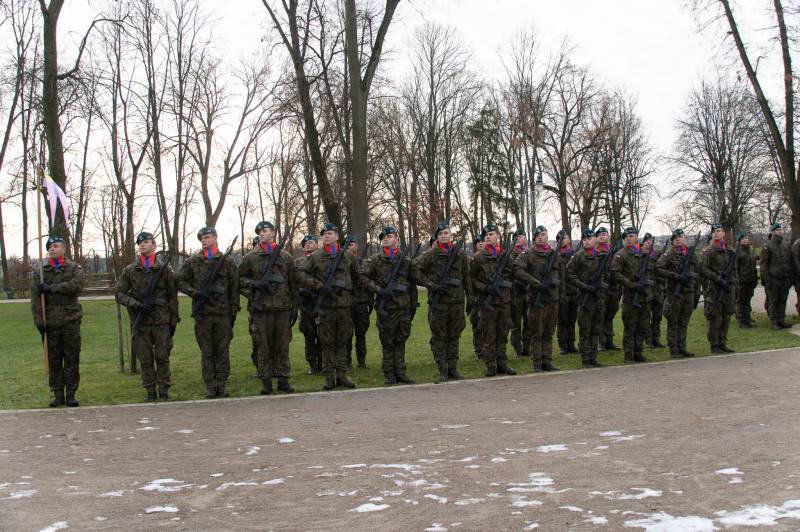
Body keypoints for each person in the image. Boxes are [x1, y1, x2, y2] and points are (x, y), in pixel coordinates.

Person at [177, 227, 240, 398]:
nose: (204, 240)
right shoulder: (193, 261)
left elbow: (234, 288)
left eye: (207, 237)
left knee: (222, 351)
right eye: (202, 238)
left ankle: (222, 384)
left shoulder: (227, 261)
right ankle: (210, 385)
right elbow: (180, 280)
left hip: (223, 313)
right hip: (203, 314)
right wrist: (195, 293)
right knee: (207, 351)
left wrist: (233, 311)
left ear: (215, 238)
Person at [116, 232, 179, 401]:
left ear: (154, 245)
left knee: (162, 356)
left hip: (161, 320)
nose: (142, 245)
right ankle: (150, 390)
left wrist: (173, 320)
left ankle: (164, 389)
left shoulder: (164, 270)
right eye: (140, 243)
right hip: (141, 321)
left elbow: (172, 297)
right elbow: (119, 293)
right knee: (145, 358)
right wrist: (135, 304)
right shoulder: (130, 270)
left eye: (146, 242)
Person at [297, 223, 360, 390]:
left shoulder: (347, 256)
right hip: (325, 307)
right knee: (327, 343)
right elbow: (300, 273)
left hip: (344, 306)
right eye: (324, 233)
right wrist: (318, 286)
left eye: (330, 233)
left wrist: (353, 298)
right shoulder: (315, 256)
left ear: (337, 236)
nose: (326, 235)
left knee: (342, 341)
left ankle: (342, 376)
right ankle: (329, 378)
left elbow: (358, 277)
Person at [239, 221, 297, 395]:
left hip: (282, 309)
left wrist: (295, 306)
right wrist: (254, 285)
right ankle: (266, 381)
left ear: (273, 232)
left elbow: (293, 283)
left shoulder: (285, 257)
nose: (261, 234)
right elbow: (239, 280)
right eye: (259, 232)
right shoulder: (250, 257)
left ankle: (283, 379)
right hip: (261, 310)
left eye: (265, 231)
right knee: (263, 346)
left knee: (283, 346)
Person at [413, 222, 471, 382]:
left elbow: (466, 276)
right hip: (439, 303)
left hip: (457, 302)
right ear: (437, 237)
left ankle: (453, 368)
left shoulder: (460, 253)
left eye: (446, 233)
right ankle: (442, 369)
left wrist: (471, 298)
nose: (444, 236)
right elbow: (415, 270)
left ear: (451, 235)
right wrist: (432, 285)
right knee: (439, 337)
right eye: (440, 234)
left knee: (454, 335)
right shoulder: (431, 254)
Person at [31, 235, 85, 408]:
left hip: (70, 320)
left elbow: (76, 286)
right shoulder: (41, 272)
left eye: (55, 246)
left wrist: (52, 288)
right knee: (53, 360)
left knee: (71, 358)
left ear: (63, 248)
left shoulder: (74, 268)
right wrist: (39, 320)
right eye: (49, 247)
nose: (51, 249)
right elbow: (35, 299)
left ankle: (71, 393)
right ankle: (57, 394)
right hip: (50, 322)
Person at [360, 226, 416, 385]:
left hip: (403, 307)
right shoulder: (375, 260)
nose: (385, 238)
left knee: (401, 340)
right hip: (386, 309)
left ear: (396, 239)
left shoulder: (405, 260)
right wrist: (379, 290)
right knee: (388, 341)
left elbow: (412, 284)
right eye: (383, 237)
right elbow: (362, 276)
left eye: (389, 236)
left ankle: (401, 371)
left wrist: (412, 305)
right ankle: (389, 373)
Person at [471, 224, 518, 377]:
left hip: (504, 301)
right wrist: (485, 288)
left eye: (491, 234)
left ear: (498, 236)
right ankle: (491, 365)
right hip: (488, 303)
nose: (488, 237)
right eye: (486, 235)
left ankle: (502, 363)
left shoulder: (505, 256)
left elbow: (512, 277)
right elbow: (472, 279)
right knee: (489, 335)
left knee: (503, 334)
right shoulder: (479, 257)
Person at [515, 225, 560, 372]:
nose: (541, 237)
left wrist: (561, 295)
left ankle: (547, 361)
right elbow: (517, 269)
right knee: (537, 333)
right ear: (534, 238)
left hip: (552, 299)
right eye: (538, 235)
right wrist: (534, 282)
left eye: (543, 234)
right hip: (536, 300)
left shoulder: (553, 254)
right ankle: (537, 363)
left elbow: (561, 276)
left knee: (549, 333)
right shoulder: (528, 254)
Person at [656, 229, 701, 359]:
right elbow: (658, 268)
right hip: (675, 293)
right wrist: (675, 276)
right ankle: (673, 348)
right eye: (675, 237)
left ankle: (682, 347)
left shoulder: (691, 254)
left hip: (689, 292)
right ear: (672, 240)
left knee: (684, 322)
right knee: (673, 321)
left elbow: (698, 272)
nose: (678, 239)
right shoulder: (669, 254)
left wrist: (697, 292)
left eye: (681, 237)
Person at [611, 227, 653, 364]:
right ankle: (628, 354)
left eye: (631, 236)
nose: (629, 238)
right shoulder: (620, 255)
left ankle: (638, 352)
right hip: (630, 297)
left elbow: (651, 271)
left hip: (644, 296)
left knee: (642, 326)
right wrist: (631, 284)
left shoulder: (643, 254)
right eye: (626, 237)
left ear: (636, 237)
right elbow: (615, 274)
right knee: (630, 327)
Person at [567, 229, 607, 368]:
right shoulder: (578, 256)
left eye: (589, 239)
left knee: (596, 329)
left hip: (598, 298)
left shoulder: (600, 256)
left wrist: (601, 284)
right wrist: (584, 286)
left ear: (594, 239)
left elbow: (607, 274)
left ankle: (593, 357)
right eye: (584, 239)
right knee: (585, 330)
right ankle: (585, 358)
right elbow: (569, 274)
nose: (587, 241)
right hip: (585, 298)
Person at [698, 223, 737, 353]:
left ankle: (722, 342)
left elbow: (735, 270)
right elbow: (702, 269)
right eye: (714, 231)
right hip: (714, 288)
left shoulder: (730, 251)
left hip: (728, 288)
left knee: (727, 316)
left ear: (724, 233)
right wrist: (717, 278)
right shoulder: (707, 251)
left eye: (719, 231)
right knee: (716, 317)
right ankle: (714, 344)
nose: (716, 233)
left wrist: (734, 284)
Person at [760, 223, 793, 330]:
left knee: (783, 300)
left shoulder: (786, 245)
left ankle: (781, 320)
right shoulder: (768, 246)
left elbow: (790, 261)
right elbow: (764, 265)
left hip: (785, 278)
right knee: (773, 301)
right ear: (773, 232)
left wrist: (790, 277)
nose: (780, 231)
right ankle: (774, 321)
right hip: (773, 278)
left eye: (781, 229)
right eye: (778, 230)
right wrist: (767, 280)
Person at [297, 235, 321, 374]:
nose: (307, 244)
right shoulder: (297, 262)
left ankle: (323, 362)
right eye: (305, 243)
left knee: (323, 335)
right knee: (309, 335)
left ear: (317, 244)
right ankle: (312, 364)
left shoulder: (323, 259)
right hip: (306, 304)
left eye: (310, 242)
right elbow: (293, 280)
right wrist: (300, 291)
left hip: (321, 301)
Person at [347, 239, 372, 369]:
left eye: (353, 244)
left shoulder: (364, 262)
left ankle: (361, 361)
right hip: (347, 303)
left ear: (357, 246)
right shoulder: (343, 262)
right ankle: (347, 361)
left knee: (361, 334)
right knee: (347, 334)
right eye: (348, 245)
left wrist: (370, 301)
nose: (351, 246)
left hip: (361, 302)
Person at [595, 227, 621, 351]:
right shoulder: (594, 251)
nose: (601, 236)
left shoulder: (613, 251)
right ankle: (601, 342)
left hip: (613, 288)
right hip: (601, 288)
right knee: (600, 315)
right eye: (599, 234)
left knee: (610, 316)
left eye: (604, 234)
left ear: (608, 236)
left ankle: (609, 341)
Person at [509, 226, 531, 358]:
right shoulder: (510, 254)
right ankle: (517, 348)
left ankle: (527, 347)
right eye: (515, 237)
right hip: (516, 293)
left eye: (520, 236)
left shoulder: (530, 253)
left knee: (529, 322)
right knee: (516, 323)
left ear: (525, 238)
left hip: (528, 293)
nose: (518, 239)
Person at [556, 230, 579, 354]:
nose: (564, 240)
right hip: (562, 292)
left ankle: (571, 344)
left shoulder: (573, 254)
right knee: (562, 320)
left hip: (573, 291)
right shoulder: (556, 255)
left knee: (572, 320)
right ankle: (563, 345)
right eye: (562, 238)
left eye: (565, 237)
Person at [644, 232, 666, 348]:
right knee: (646, 316)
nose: (649, 243)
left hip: (657, 289)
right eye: (647, 241)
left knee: (657, 316)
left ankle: (656, 338)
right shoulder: (641, 256)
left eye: (650, 241)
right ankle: (648, 340)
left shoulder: (657, 255)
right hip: (647, 290)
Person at [735, 231, 758, 328]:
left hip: (750, 280)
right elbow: (735, 268)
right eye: (743, 238)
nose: (745, 240)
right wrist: (737, 280)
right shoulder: (737, 252)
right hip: (742, 281)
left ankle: (748, 320)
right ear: (739, 240)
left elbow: (753, 265)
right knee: (741, 302)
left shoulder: (750, 250)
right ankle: (742, 321)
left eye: (746, 238)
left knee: (747, 301)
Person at [468, 234, 485, 360]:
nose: (480, 243)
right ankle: (479, 350)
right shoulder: (472, 260)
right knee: (477, 325)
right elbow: (469, 279)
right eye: (478, 242)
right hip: (476, 297)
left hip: (487, 296)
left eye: (482, 241)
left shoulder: (488, 258)